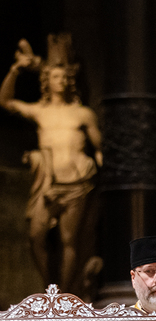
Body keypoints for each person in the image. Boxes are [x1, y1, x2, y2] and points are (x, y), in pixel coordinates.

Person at [0, 35, 102, 295]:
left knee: (69, 240)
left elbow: (99, 148)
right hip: (46, 184)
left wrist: (100, 164)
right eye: (56, 77)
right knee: (36, 236)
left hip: (77, 184)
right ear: (47, 80)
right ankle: (50, 287)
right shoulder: (40, 111)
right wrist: (15, 70)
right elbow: (6, 102)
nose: (62, 81)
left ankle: (63, 294)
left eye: (66, 77)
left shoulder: (83, 114)